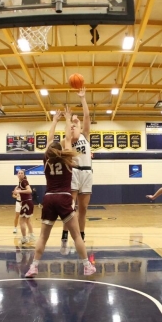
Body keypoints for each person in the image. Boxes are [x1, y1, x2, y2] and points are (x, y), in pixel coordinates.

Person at [24, 108, 95, 278]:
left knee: (42, 237)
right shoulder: (67, 158)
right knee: (77, 235)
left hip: (48, 198)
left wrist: (55, 120)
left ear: (49, 150)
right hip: (64, 198)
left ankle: (33, 267)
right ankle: (87, 266)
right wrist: (69, 119)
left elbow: (50, 139)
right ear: (61, 150)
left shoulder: (46, 158)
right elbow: (69, 138)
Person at [60, 86, 93, 245]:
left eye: (76, 126)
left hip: (87, 173)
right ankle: (65, 234)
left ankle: (81, 235)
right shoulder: (67, 141)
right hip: (73, 173)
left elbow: (86, 116)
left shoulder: (85, 137)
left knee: (83, 209)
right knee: (70, 206)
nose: (73, 127)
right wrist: (70, 123)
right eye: (71, 126)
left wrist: (82, 98)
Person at [15, 169, 36, 244]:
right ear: (17, 175)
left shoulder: (24, 181)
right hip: (27, 202)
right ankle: (32, 235)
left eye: (21, 173)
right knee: (28, 220)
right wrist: (21, 201)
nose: (20, 174)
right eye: (19, 173)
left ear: (24, 175)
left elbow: (29, 191)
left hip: (27, 202)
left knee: (22, 221)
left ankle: (24, 238)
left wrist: (19, 191)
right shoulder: (21, 183)